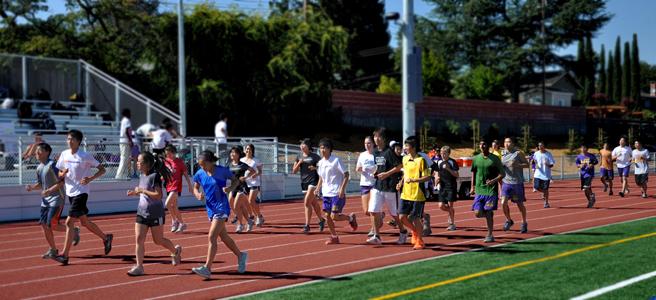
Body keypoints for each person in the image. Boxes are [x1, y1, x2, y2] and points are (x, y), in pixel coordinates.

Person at [51, 130, 113, 265]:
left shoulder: (85, 156)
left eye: (71, 139)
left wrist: (90, 178)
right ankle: (106, 238)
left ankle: (64, 255)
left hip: (82, 192)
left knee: (68, 222)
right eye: (67, 139)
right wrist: (63, 173)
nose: (69, 141)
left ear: (78, 141)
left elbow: (102, 169)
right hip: (70, 192)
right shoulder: (64, 154)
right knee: (84, 222)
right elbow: (59, 171)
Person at [191, 150, 248, 279]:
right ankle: (240, 255)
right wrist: (197, 194)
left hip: (222, 207)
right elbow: (195, 187)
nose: (202, 167)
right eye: (200, 165)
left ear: (210, 162)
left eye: (203, 164)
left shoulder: (222, 171)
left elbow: (236, 181)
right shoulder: (200, 173)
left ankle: (207, 268)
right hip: (210, 209)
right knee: (224, 237)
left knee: (212, 237)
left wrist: (229, 189)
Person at [126, 151, 182, 276]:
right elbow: (144, 192)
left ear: (147, 164)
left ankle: (175, 251)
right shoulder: (142, 176)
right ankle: (139, 267)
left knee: (158, 240)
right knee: (139, 239)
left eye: (139, 162)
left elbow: (158, 195)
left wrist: (142, 190)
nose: (137, 164)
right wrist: (135, 192)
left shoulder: (155, 176)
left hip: (155, 213)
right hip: (141, 212)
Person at [25, 142, 77, 259]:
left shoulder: (53, 165)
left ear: (47, 152)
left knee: (51, 224)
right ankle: (53, 249)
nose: (36, 153)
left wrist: (49, 191)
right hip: (45, 201)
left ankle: (73, 232)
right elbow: (40, 184)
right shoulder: (39, 168)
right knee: (44, 225)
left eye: (39, 151)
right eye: (36, 151)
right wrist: (32, 188)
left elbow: (62, 182)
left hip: (57, 199)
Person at [315, 138, 357, 245]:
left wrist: (342, 189)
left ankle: (350, 218)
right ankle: (334, 236)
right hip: (326, 193)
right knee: (327, 216)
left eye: (324, 147)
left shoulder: (336, 160)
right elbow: (321, 177)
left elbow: (346, 175)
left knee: (334, 216)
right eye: (321, 148)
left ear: (330, 149)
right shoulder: (320, 163)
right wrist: (317, 188)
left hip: (336, 193)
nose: (322, 150)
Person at [368, 128, 406, 245]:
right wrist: (375, 172)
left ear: (383, 139)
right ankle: (377, 235)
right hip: (378, 186)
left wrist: (387, 174)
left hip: (390, 187)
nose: (376, 139)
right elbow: (378, 166)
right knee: (373, 210)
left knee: (394, 214)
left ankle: (403, 231)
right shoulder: (375, 152)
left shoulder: (389, 152)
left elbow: (399, 166)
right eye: (374, 137)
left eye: (378, 137)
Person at [396, 136, 432, 250]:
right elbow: (405, 173)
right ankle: (415, 232)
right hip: (405, 193)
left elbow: (427, 177)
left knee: (416, 218)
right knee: (402, 217)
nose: (404, 148)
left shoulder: (421, 160)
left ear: (413, 147)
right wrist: (401, 182)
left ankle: (420, 241)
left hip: (418, 194)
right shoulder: (405, 159)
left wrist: (414, 180)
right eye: (404, 145)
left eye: (407, 145)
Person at [470, 140, 505, 243]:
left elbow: (502, 174)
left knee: (488, 212)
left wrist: (493, 181)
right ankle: (488, 215)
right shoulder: (476, 158)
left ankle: (490, 234)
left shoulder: (495, 159)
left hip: (491, 191)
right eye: (480, 144)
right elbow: (473, 172)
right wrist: (472, 187)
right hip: (479, 190)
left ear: (488, 146)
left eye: (484, 144)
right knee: (477, 213)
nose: (482, 146)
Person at [292, 139, 326, 233]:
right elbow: (294, 171)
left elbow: (322, 167)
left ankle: (307, 225)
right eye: (301, 145)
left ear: (308, 146)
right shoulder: (298, 156)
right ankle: (321, 220)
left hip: (313, 182)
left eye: (304, 145)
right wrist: (299, 163)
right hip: (304, 182)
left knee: (307, 202)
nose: (302, 147)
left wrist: (315, 168)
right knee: (314, 203)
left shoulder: (315, 157)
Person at [500, 137, 530, 233]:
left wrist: (518, 165)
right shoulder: (502, 153)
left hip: (516, 183)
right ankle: (509, 220)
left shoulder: (518, 153)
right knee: (503, 202)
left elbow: (527, 164)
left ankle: (524, 223)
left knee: (519, 204)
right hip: (506, 182)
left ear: (513, 144)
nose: (506, 144)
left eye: (508, 142)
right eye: (505, 142)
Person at [164, 145, 193, 233]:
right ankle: (181, 223)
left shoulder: (179, 162)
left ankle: (174, 221)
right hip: (168, 186)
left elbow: (186, 175)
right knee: (174, 206)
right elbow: (165, 174)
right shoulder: (166, 161)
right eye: (166, 154)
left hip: (176, 186)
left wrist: (190, 185)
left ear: (173, 153)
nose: (167, 156)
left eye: (169, 154)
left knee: (167, 204)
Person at [228, 147, 257, 233]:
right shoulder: (229, 164)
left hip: (241, 187)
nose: (232, 154)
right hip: (233, 187)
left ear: (238, 155)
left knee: (237, 205)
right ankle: (249, 221)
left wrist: (246, 177)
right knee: (234, 205)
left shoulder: (242, 165)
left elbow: (253, 171)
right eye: (231, 153)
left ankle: (240, 225)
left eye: (234, 153)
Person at [433, 146, 459, 231]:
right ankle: (451, 211)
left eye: (444, 153)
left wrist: (448, 169)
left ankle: (452, 224)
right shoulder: (439, 161)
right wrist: (437, 178)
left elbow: (457, 175)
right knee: (441, 206)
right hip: (443, 186)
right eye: (441, 153)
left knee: (450, 204)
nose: (442, 155)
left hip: (451, 186)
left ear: (448, 153)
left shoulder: (452, 162)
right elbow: (436, 172)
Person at [241, 144, 265, 227]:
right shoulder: (241, 160)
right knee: (250, 202)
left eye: (250, 149)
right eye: (247, 149)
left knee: (251, 201)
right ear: (244, 151)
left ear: (252, 150)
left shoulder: (256, 160)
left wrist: (256, 174)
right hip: (244, 184)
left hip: (254, 183)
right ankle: (259, 216)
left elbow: (260, 171)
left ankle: (258, 216)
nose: (248, 150)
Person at [356, 137, 376, 228]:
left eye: (369, 143)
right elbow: (357, 168)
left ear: (373, 143)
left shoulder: (376, 154)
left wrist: (374, 170)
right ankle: (380, 216)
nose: (367, 145)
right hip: (364, 183)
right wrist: (361, 169)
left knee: (372, 209)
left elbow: (380, 167)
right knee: (366, 211)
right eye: (365, 143)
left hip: (374, 184)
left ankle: (373, 229)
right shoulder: (362, 155)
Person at [533, 142, 555, 208]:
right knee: (536, 187)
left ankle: (546, 202)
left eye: (542, 146)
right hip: (538, 174)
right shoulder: (536, 153)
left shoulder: (548, 154)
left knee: (546, 189)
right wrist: (535, 165)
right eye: (539, 146)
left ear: (544, 146)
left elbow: (552, 165)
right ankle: (544, 192)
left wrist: (547, 164)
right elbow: (534, 160)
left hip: (546, 175)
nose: (540, 147)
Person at [115, 109, 134, 179]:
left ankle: (122, 175)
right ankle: (119, 175)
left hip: (124, 141)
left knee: (125, 158)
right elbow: (127, 131)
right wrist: (130, 140)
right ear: (127, 113)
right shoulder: (127, 120)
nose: (130, 115)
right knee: (124, 158)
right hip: (125, 141)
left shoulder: (124, 120)